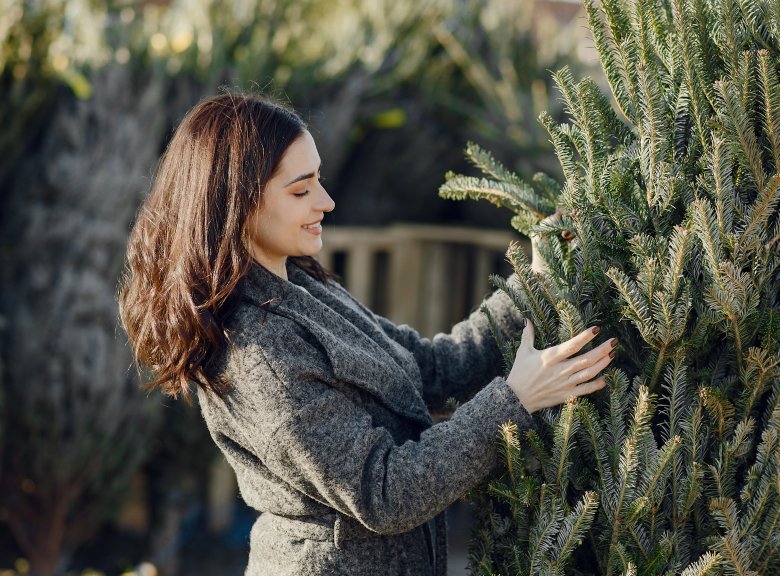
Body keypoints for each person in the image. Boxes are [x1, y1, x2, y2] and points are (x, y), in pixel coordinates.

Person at [117, 92, 616, 575]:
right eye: (300, 189)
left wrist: (536, 281)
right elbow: (384, 492)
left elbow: (435, 367)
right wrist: (515, 400)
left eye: (319, 180)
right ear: (237, 202)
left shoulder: (302, 286)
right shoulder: (259, 354)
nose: (327, 201)